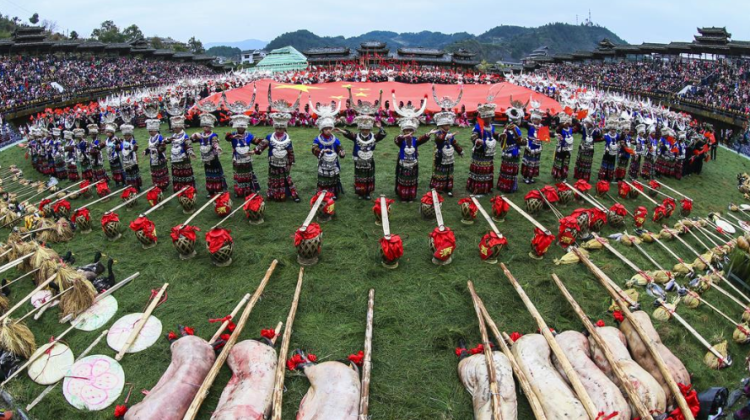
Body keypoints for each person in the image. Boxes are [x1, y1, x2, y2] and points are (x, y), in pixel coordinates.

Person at [337, 116, 386, 200]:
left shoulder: (373, 137)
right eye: (363, 129)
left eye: (367, 130)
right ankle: (360, 192)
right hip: (359, 160)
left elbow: (382, 135)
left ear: (370, 129)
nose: (365, 131)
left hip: (369, 161)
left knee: (368, 177)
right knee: (360, 176)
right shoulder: (356, 137)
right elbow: (349, 134)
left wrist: (380, 127)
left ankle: (367, 193)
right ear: (360, 129)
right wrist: (342, 130)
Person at [255, 112, 300, 202]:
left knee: (286, 179)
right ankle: (273, 194)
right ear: (274, 127)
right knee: (273, 179)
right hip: (273, 163)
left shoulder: (287, 139)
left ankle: (287, 193)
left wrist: (290, 163)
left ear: (284, 128)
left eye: (281, 128)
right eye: (277, 128)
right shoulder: (270, 137)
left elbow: (290, 152)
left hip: (284, 163)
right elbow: (262, 145)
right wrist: (254, 151)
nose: (279, 130)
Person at [427, 111, 463, 197]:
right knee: (440, 171)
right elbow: (439, 140)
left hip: (449, 156)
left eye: (448, 125)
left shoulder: (450, 134)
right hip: (441, 156)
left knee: (449, 172)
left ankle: (448, 188)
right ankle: (438, 188)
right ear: (441, 126)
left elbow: (454, 143)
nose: (448, 127)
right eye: (446, 125)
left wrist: (459, 150)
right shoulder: (438, 133)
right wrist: (446, 136)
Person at [394, 117, 430, 202]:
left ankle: (411, 196)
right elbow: (396, 140)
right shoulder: (401, 140)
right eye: (406, 130)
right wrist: (403, 137)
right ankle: (403, 196)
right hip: (403, 163)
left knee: (412, 180)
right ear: (403, 131)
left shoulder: (415, 140)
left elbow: (422, 139)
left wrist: (428, 134)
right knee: (403, 180)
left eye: (410, 131)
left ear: (413, 131)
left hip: (413, 164)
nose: (408, 132)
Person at [225, 114, 260, 197]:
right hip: (237, 159)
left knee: (248, 174)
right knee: (238, 174)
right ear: (236, 127)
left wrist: (254, 151)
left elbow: (259, 142)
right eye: (239, 127)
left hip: (247, 159)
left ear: (245, 127)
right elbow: (227, 138)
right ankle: (239, 191)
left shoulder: (249, 135)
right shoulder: (232, 135)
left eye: (242, 127)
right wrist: (234, 136)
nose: (241, 129)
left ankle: (249, 190)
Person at [467, 104, 498, 195]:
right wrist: (477, 140)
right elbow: (473, 137)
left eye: (489, 117)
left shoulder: (492, 126)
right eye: (486, 117)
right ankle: (478, 188)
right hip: (480, 152)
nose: (488, 119)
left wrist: (500, 135)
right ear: (482, 117)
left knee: (487, 170)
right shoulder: (478, 126)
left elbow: (493, 134)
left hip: (489, 152)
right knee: (480, 170)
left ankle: (486, 188)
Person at [312, 116, 345, 199]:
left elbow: (339, 148)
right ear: (322, 129)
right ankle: (322, 192)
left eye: (330, 128)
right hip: (323, 162)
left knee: (333, 176)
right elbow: (314, 149)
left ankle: (333, 192)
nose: (328, 130)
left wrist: (341, 152)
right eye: (326, 129)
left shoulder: (335, 139)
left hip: (334, 162)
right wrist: (322, 151)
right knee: (324, 177)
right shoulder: (318, 140)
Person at [165, 116, 196, 192]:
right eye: (174, 127)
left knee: (185, 173)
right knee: (176, 174)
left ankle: (188, 188)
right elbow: (165, 141)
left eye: (176, 127)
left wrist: (191, 152)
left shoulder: (185, 136)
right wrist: (167, 139)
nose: (174, 129)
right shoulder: (174, 135)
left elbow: (188, 145)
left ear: (180, 127)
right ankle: (178, 188)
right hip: (175, 159)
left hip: (183, 159)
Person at [497, 113, 525, 193]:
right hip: (508, 151)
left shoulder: (516, 129)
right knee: (506, 169)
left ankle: (511, 187)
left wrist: (514, 130)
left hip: (514, 151)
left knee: (512, 169)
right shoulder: (506, 129)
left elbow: (519, 140)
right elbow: (502, 141)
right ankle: (505, 186)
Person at [143, 119, 170, 190]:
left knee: (161, 171)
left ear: (156, 130)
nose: (150, 132)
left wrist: (159, 149)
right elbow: (150, 147)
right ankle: (156, 184)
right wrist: (146, 151)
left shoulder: (159, 137)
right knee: (155, 171)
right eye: (149, 131)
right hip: (153, 158)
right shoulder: (150, 138)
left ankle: (163, 184)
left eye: (151, 131)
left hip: (160, 157)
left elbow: (163, 146)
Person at [521, 109, 543, 184]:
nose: (535, 121)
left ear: (540, 120)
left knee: (535, 162)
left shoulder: (541, 127)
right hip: (530, 146)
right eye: (533, 119)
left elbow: (547, 134)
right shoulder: (529, 125)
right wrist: (531, 124)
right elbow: (523, 122)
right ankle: (525, 176)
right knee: (528, 161)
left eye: (536, 119)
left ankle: (531, 176)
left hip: (537, 146)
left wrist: (555, 134)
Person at [551, 113, 573, 182]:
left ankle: (564, 176)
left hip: (568, 149)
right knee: (559, 161)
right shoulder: (560, 129)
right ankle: (557, 175)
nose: (567, 124)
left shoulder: (570, 129)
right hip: (560, 149)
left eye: (568, 123)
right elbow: (557, 129)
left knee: (565, 162)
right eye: (565, 123)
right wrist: (562, 124)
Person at [119, 124, 142, 191]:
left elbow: (135, 148)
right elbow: (121, 148)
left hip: (133, 161)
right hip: (126, 161)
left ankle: (137, 187)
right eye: (125, 135)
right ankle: (131, 187)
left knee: (134, 173)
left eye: (128, 135)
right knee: (128, 173)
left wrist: (133, 148)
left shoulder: (133, 141)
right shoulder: (123, 142)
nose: (126, 137)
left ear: (131, 135)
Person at [574, 117, 597, 181]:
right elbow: (578, 126)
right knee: (581, 160)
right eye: (586, 122)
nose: (586, 123)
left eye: (587, 123)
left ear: (590, 124)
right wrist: (576, 119)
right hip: (583, 147)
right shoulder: (584, 128)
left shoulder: (595, 130)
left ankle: (585, 176)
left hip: (590, 149)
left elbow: (599, 135)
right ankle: (579, 175)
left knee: (587, 162)